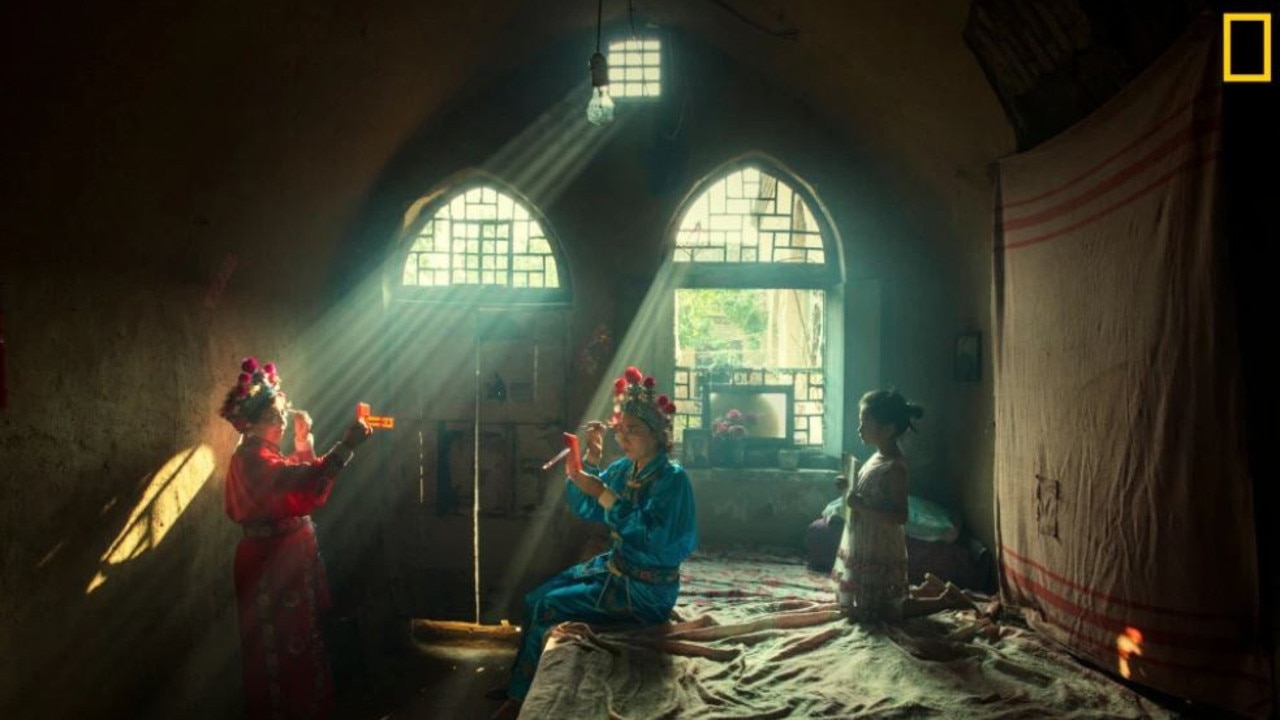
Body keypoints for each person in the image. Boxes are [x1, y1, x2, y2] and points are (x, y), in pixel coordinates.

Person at [492, 365, 698, 719]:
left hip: (646, 589)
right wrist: (589, 459)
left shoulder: (671, 480)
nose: (624, 437)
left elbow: (658, 540)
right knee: (534, 598)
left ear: (658, 434)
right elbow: (586, 505)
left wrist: (605, 495)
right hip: (616, 569)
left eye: (633, 430)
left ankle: (518, 700)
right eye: (620, 430)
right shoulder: (623, 468)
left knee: (549, 608)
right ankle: (519, 682)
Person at [218, 356, 372, 720]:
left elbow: (295, 478)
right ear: (250, 423)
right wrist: (346, 447)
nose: (283, 421)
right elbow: (300, 485)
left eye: (282, 413)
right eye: (273, 417)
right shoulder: (252, 459)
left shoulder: (262, 454)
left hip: (280, 559)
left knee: (298, 643)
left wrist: (303, 440)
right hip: (270, 565)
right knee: (283, 649)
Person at [831, 389, 971, 622]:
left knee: (887, 610)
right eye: (860, 421)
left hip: (881, 543)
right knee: (865, 603)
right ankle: (929, 592)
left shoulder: (895, 467)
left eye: (866, 422)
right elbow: (868, 495)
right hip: (864, 538)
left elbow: (899, 516)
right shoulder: (876, 457)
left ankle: (945, 601)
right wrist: (848, 487)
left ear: (888, 429)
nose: (859, 428)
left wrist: (861, 507)